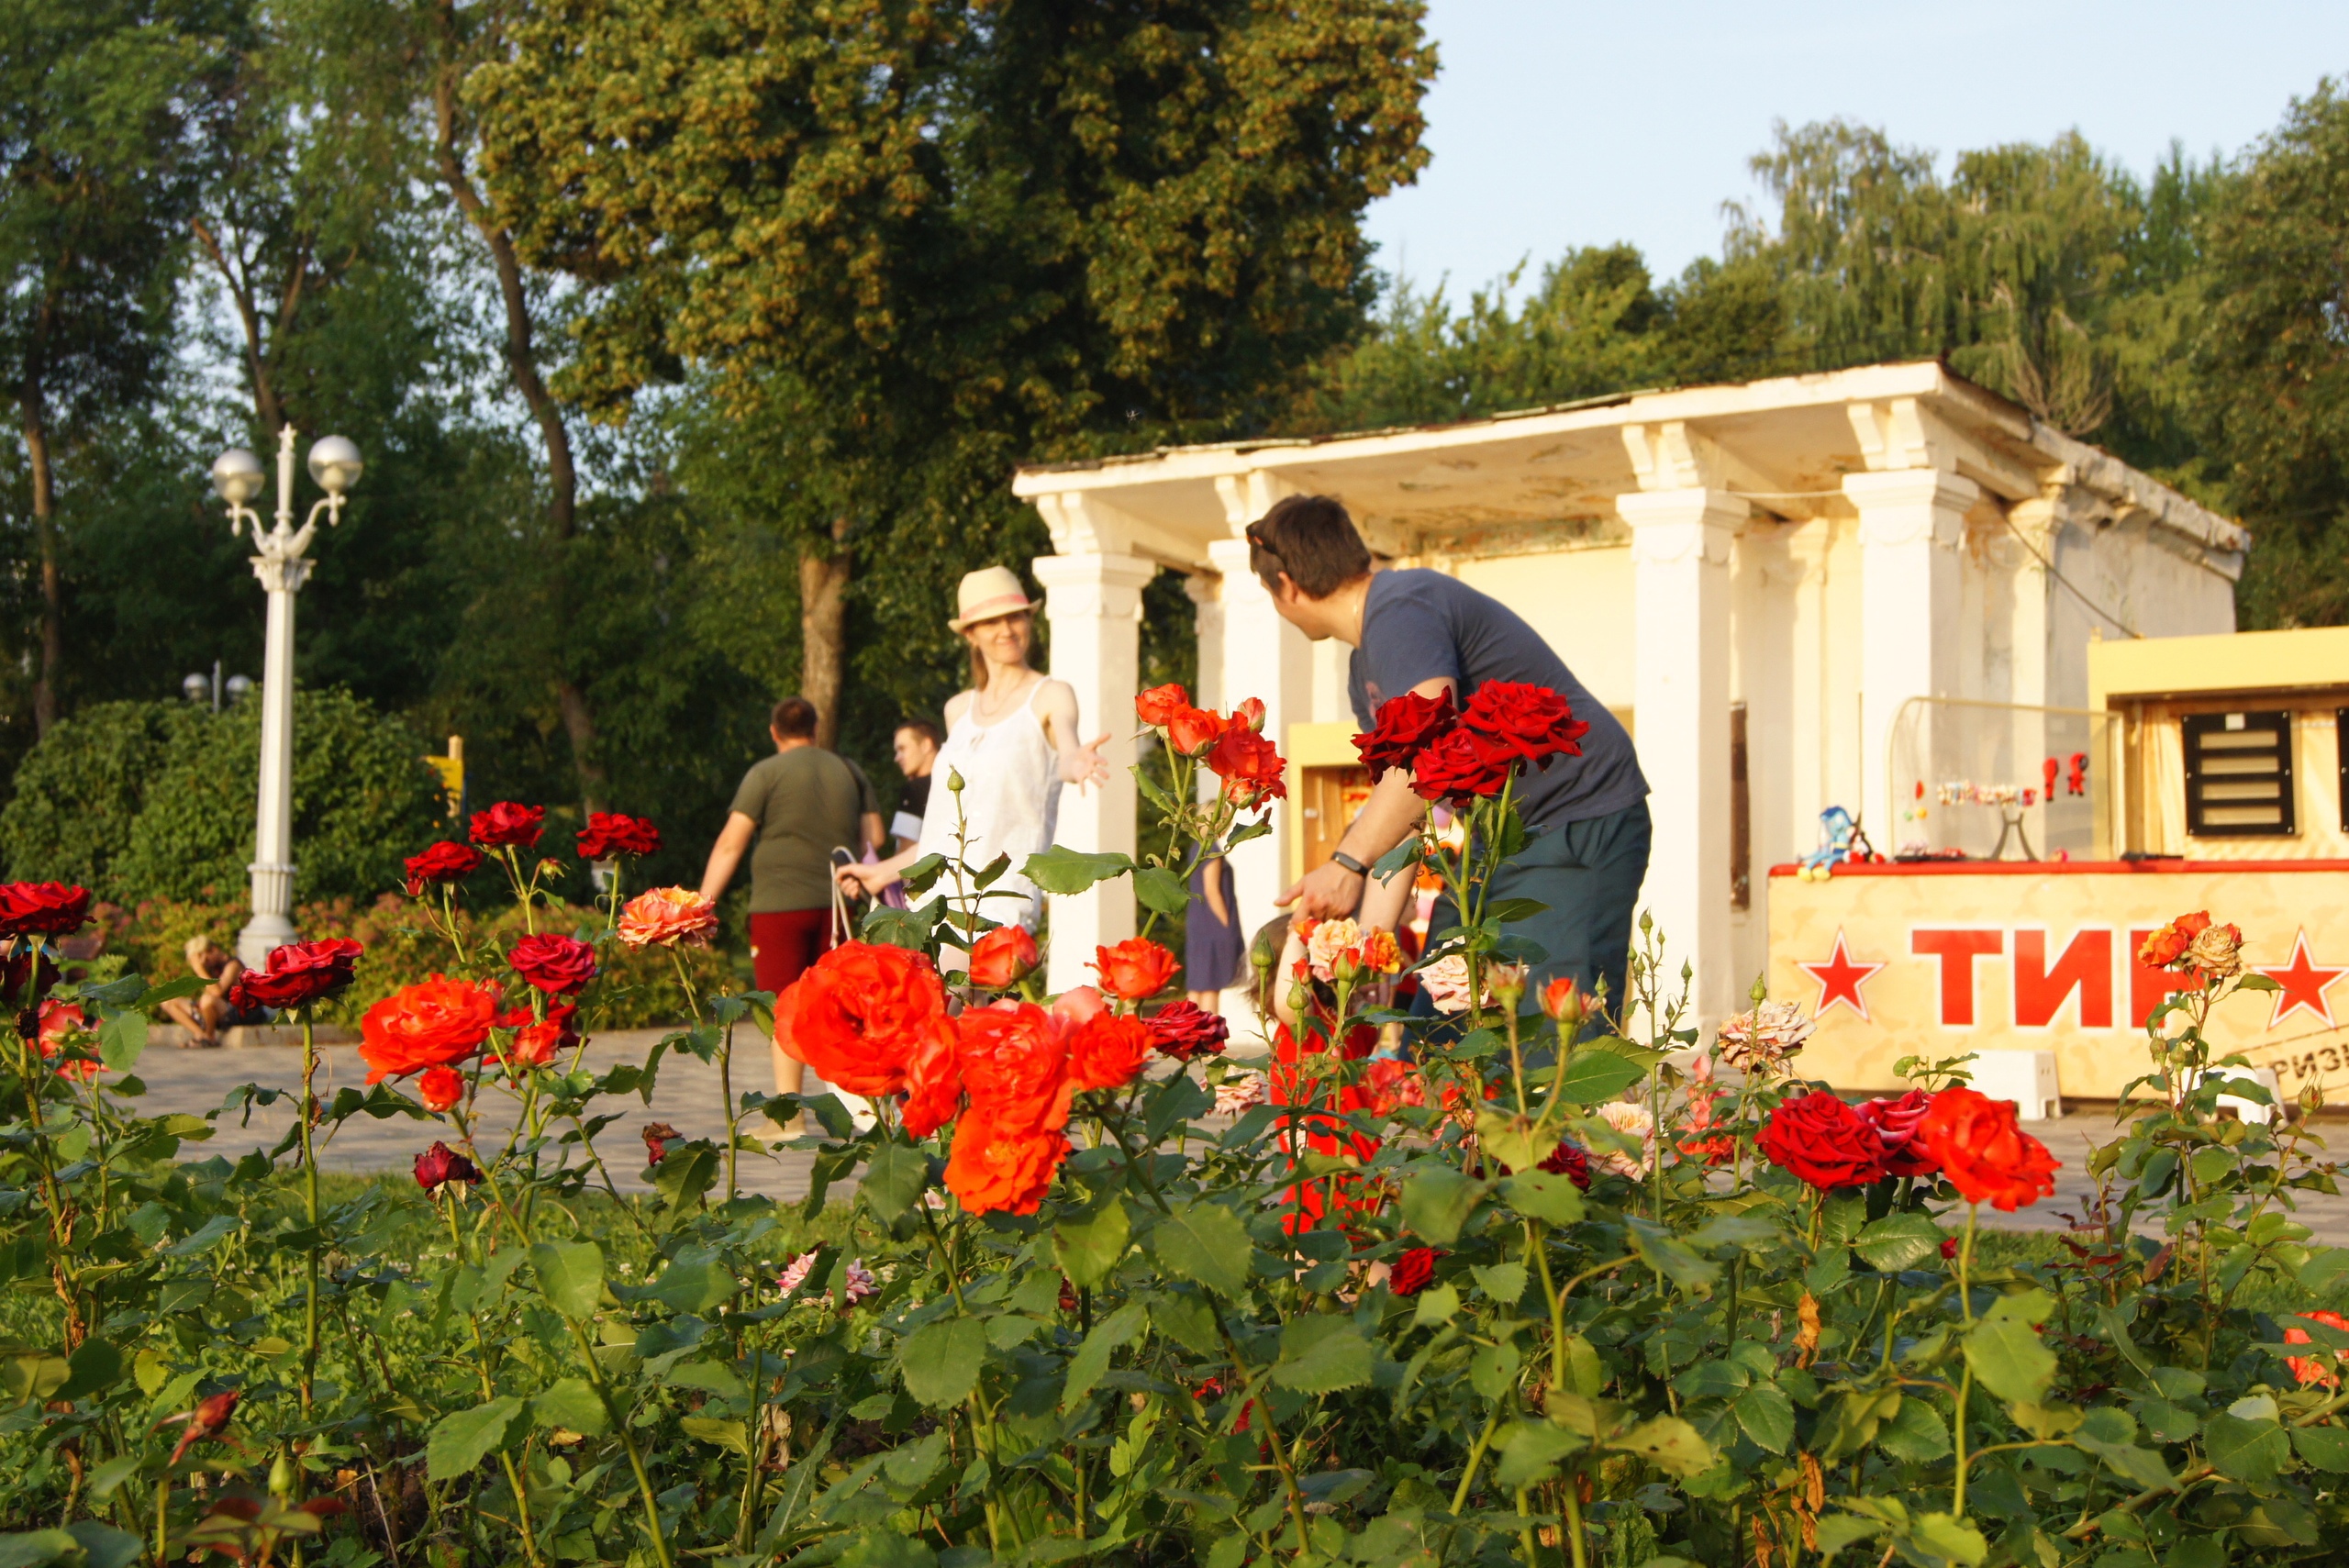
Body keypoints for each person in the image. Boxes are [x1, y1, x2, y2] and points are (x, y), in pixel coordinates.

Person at [1255, 493, 1652, 1024]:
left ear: (1286, 586)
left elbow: (1426, 744)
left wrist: (1346, 863)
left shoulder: (1400, 605)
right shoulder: (1365, 664)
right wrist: (1368, 953)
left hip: (1575, 815)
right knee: (1439, 1027)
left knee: (1548, 1036)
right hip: (1502, 840)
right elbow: (1406, 809)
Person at [838, 566, 1110, 947]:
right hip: (931, 908)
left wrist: (1076, 762)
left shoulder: (1050, 695)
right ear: (970, 634)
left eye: (1015, 616)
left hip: (999, 907)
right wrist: (882, 874)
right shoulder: (958, 711)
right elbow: (945, 830)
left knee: (963, 1004)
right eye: (990, 622)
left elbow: (1066, 748)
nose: (1006, 630)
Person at [698, 695, 885, 1097]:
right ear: (815, 730)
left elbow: (732, 843)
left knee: (782, 1004)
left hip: (778, 906)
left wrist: (701, 908)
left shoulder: (765, 773)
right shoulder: (849, 770)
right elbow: (876, 837)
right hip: (837, 904)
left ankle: (789, 1112)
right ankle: (861, 1105)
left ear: (774, 732)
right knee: (841, 1004)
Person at [160, 936, 262, 1048]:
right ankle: (200, 1035)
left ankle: (209, 1037)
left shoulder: (233, 965)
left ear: (214, 950)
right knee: (168, 1002)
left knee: (207, 1000)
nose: (205, 963)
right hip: (218, 1010)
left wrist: (199, 968)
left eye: (206, 959)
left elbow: (217, 992)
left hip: (240, 1012)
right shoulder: (213, 968)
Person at [1185, 855, 1242, 1009]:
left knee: (1198, 985)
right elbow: (1212, 890)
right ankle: (1207, 1032)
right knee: (1210, 985)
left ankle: (1189, 1031)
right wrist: (1227, 926)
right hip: (1213, 928)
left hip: (1199, 925)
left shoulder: (1197, 847)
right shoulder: (1212, 851)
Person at [889, 718, 942, 852]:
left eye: (902, 749)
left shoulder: (914, 790)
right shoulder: (955, 784)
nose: (897, 758)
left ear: (926, 745)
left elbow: (906, 849)